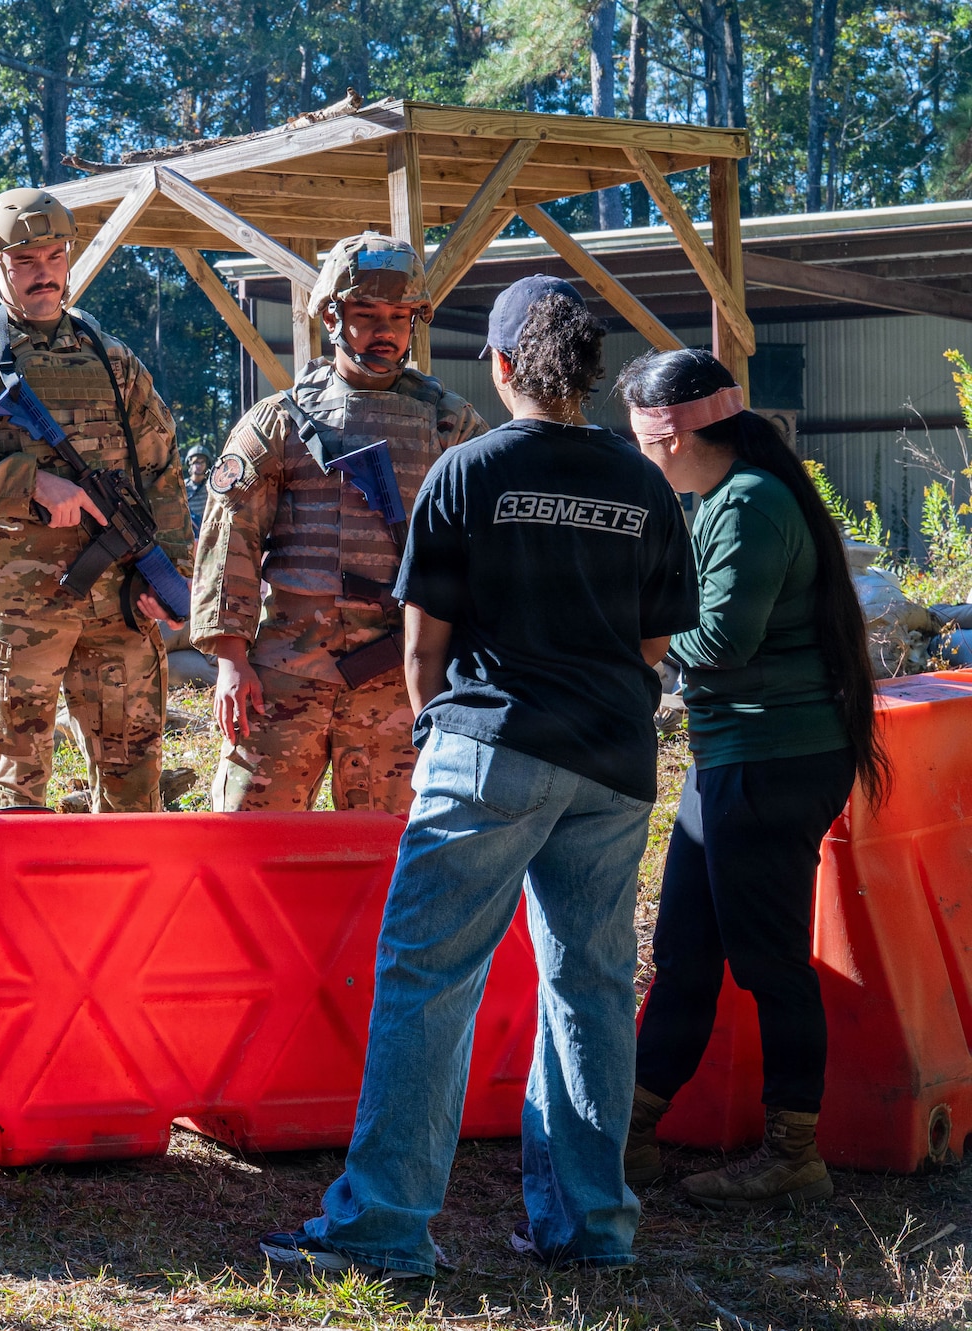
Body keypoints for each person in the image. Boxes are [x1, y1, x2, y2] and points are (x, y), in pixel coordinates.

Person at [258, 275, 696, 1277]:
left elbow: (421, 652)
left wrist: (435, 741)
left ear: (499, 367)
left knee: (426, 981)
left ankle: (381, 1225)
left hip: (491, 748)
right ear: (588, 370)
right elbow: (651, 645)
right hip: (614, 761)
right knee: (587, 986)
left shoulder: (466, 470)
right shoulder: (641, 483)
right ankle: (589, 1226)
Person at [620, 349, 886, 1210]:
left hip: (771, 759)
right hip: (733, 755)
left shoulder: (750, 506)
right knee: (687, 949)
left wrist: (635, 638)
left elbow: (723, 643)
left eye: (634, 430)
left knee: (769, 960)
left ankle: (793, 1153)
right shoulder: (725, 499)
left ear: (665, 431)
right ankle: (627, 1133)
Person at [0, 187, 192, 812]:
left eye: (55, 256)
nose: (45, 274)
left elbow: (161, 476)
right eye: (26, 261)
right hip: (21, 610)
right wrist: (29, 484)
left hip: (120, 607)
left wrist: (172, 574)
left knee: (133, 783)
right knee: (16, 786)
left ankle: (123, 906)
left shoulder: (112, 360)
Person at [193, 233, 486, 815]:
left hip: (401, 679)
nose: (387, 330)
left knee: (389, 857)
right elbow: (232, 541)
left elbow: (485, 548)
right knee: (250, 844)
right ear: (332, 315)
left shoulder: (451, 425)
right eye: (367, 314)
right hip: (284, 676)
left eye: (401, 316)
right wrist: (231, 658)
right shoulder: (279, 422)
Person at [184, 447, 212, 532]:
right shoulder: (183, 486)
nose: (199, 466)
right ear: (190, 464)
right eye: (195, 462)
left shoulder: (211, 486)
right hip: (189, 529)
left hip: (208, 527)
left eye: (202, 462)